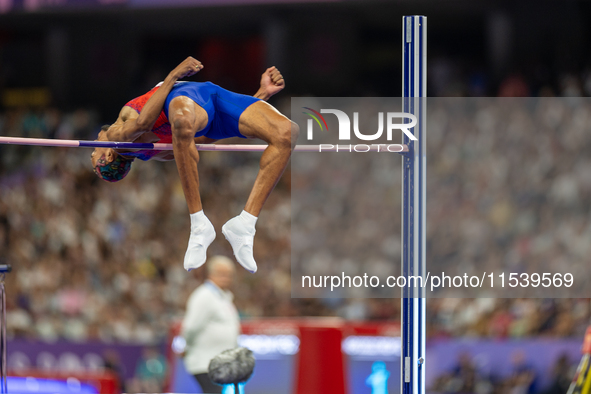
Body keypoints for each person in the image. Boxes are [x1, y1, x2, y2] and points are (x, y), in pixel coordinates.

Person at [90, 56, 298, 273]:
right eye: (94, 152)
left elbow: (199, 138)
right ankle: (198, 223)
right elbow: (144, 123)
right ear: (110, 156)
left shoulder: (156, 153)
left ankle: (245, 223)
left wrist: (259, 98)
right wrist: (173, 75)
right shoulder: (118, 138)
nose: (94, 144)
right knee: (182, 121)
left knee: (287, 133)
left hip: (210, 103)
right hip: (185, 98)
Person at [181, 255, 240, 394]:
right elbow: (190, 328)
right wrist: (187, 346)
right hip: (207, 362)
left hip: (222, 363)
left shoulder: (223, 297)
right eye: (222, 274)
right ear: (210, 274)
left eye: (229, 275)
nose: (226, 278)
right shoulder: (204, 296)